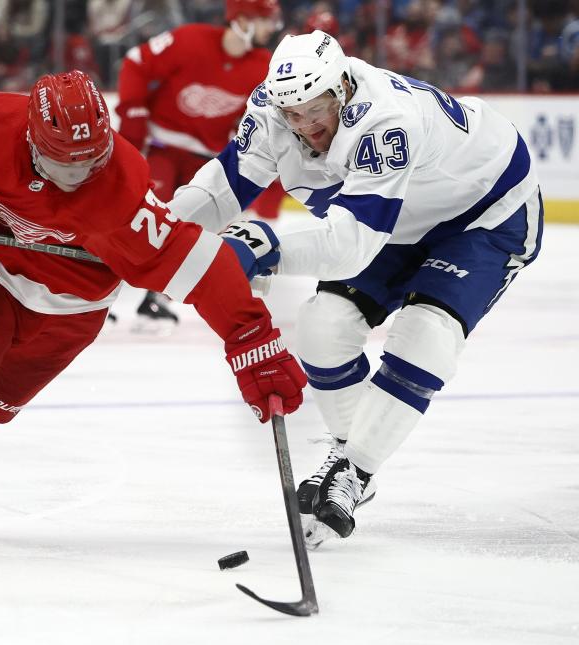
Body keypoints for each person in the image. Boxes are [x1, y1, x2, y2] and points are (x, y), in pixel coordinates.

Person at [0, 70, 308, 564]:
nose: (78, 178)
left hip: (73, 312)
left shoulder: (123, 191)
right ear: (33, 140)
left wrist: (253, 342)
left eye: (91, 162)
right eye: (64, 165)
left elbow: (200, 265)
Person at [171, 31, 543, 544]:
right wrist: (154, 238)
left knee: (426, 335)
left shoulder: (385, 119)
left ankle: (355, 470)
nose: (305, 125)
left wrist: (265, 246)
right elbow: (224, 186)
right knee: (323, 329)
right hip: (396, 215)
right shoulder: (271, 110)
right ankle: (348, 455)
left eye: (315, 108)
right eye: (292, 113)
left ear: (342, 87)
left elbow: (352, 245)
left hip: (482, 213)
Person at [115, 0, 287, 331]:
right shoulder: (190, 39)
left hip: (206, 160)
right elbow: (137, 63)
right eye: (266, 19)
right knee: (144, 220)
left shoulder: (263, 67)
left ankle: (157, 298)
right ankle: (97, 287)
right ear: (242, 20)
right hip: (161, 148)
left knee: (193, 230)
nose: (271, 28)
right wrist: (133, 111)